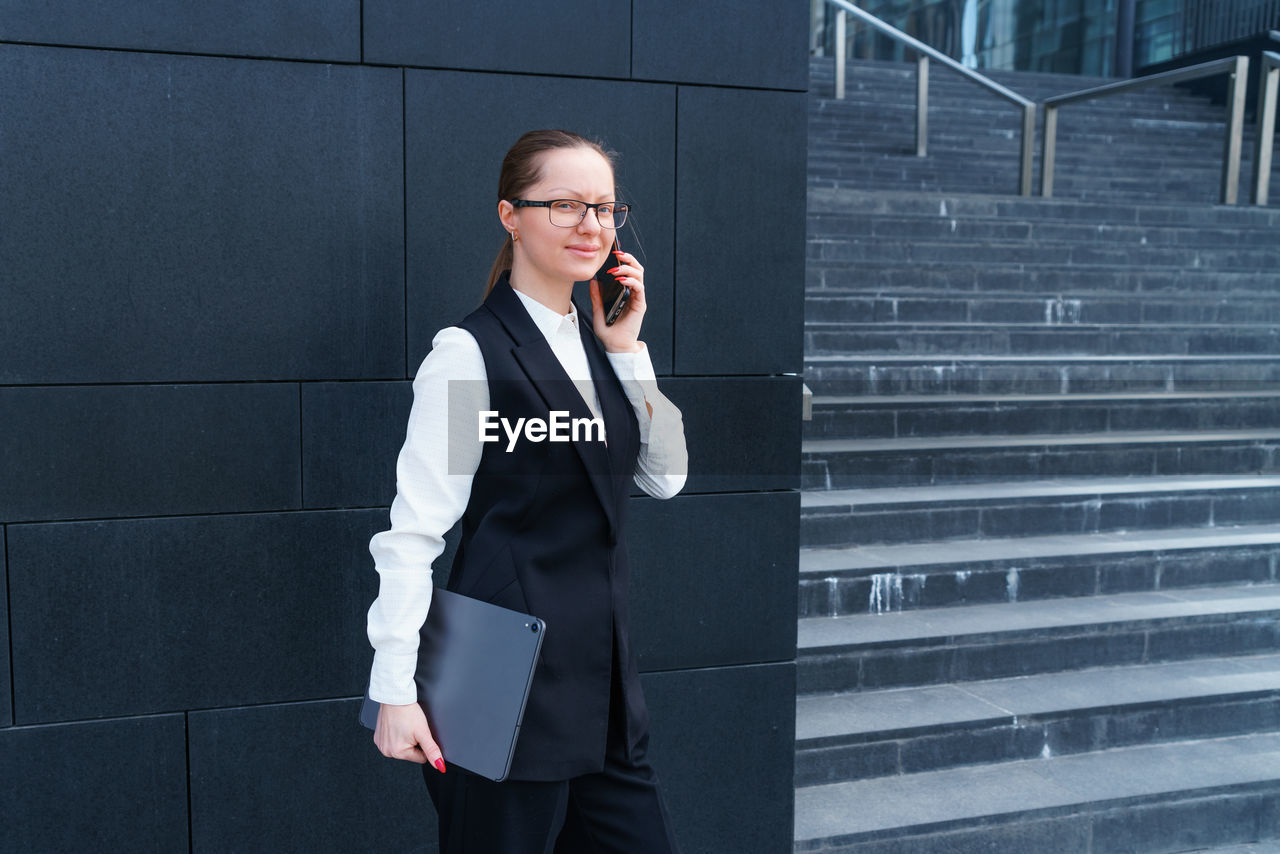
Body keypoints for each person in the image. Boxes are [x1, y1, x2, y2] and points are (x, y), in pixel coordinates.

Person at [365, 129, 688, 853]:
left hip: (603, 690)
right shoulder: (467, 355)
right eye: (565, 205)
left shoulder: (602, 345)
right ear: (511, 215)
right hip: (502, 689)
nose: (592, 227)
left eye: (605, 209)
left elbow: (666, 478)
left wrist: (630, 353)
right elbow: (412, 535)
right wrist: (395, 688)